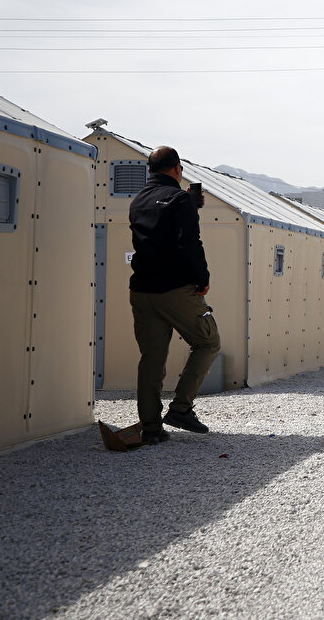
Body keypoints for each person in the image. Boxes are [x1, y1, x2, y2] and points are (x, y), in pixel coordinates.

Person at [128, 146, 221, 444]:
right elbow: (189, 244)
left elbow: (158, 234)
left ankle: (151, 429)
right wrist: (202, 279)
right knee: (208, 341)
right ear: (178, 169)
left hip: (142, 291)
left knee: (151, 359)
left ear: (150, 170)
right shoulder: (180, 199)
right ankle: (181, 408)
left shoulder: (138, 201)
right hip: (175, 289)